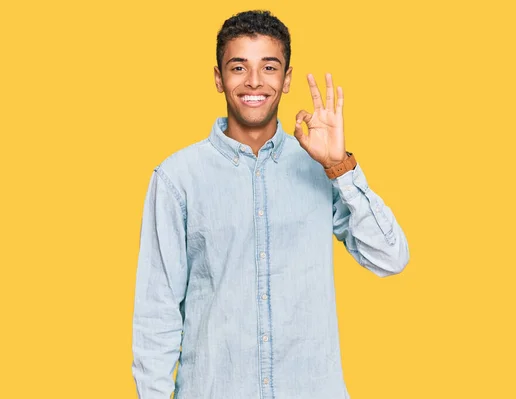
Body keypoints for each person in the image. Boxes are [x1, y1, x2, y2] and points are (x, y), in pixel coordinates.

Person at [131, 9, 410, 399]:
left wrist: (339, 167)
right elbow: (155, 314)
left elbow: (390, 257)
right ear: (218, 78)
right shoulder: (177, 179)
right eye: (239, 67)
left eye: (269, 67)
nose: (255, 82)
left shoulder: (321, 167)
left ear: (287, 78)